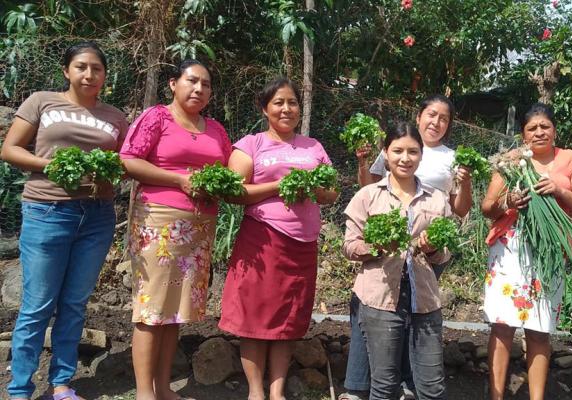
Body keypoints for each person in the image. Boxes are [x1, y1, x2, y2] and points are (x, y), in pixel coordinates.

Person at [0, 41, 128, 400]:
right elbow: (10, 150)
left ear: (105, 74)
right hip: (47, 211)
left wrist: (112, 173)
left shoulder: (115, 116)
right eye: (81, 67)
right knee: (37, 303)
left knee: (74, 302)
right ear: (67, 71)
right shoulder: (42, 101)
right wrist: (52, 165)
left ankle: (61, 384)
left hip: (97, 215)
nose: (89, 74)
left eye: (97, 69)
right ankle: (20, 389)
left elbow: (123, 162)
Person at [342, 95, 472, 400]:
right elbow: (350, 246)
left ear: (421, 156)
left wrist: (433, 249)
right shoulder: (368, 196)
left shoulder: (436, 199)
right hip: (379, 297)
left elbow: (446, 250)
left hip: (424, 299)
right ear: (385, 154)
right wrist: (376, 246)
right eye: (397, 151)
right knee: (384, 385)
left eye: (412, 151)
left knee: (431, 386)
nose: (405, 158)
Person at [218, 77, 337, 400]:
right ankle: (256, 392)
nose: (287, 109)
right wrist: (280, 186)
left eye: (293, 103)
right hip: (262, 240)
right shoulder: (251, 144)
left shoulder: (313, 147)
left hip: (302, 245)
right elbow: (235, 191)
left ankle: (277, 391)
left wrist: (312, 187)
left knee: (289, 316)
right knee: (254, 316)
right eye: (278, 103)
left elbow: (331, 193)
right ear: (264, 108)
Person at [120, 59, 232, 400]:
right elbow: (128, 160)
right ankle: (144, 392)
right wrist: (178, 179)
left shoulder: (215, 129)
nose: (199, 89)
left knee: (176, 309)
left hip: (199, 228)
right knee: (151, 306)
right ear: (173, 83)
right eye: (192, 81)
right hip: (159, 221)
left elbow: (228, 172)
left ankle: (164, 387)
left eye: (206, 84)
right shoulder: (157, 117)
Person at [480, 103, 572, 400]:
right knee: (502, 326)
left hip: (550, 252)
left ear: (554, 130)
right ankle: (496, 396)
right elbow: (487, 208)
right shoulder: (511, 161)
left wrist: (559, 191)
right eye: (532, 128)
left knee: (539, 328)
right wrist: (509, 202)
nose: (539, 132)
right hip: (510, 251)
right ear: (523, 135)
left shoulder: (571, 160)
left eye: (545, 126)